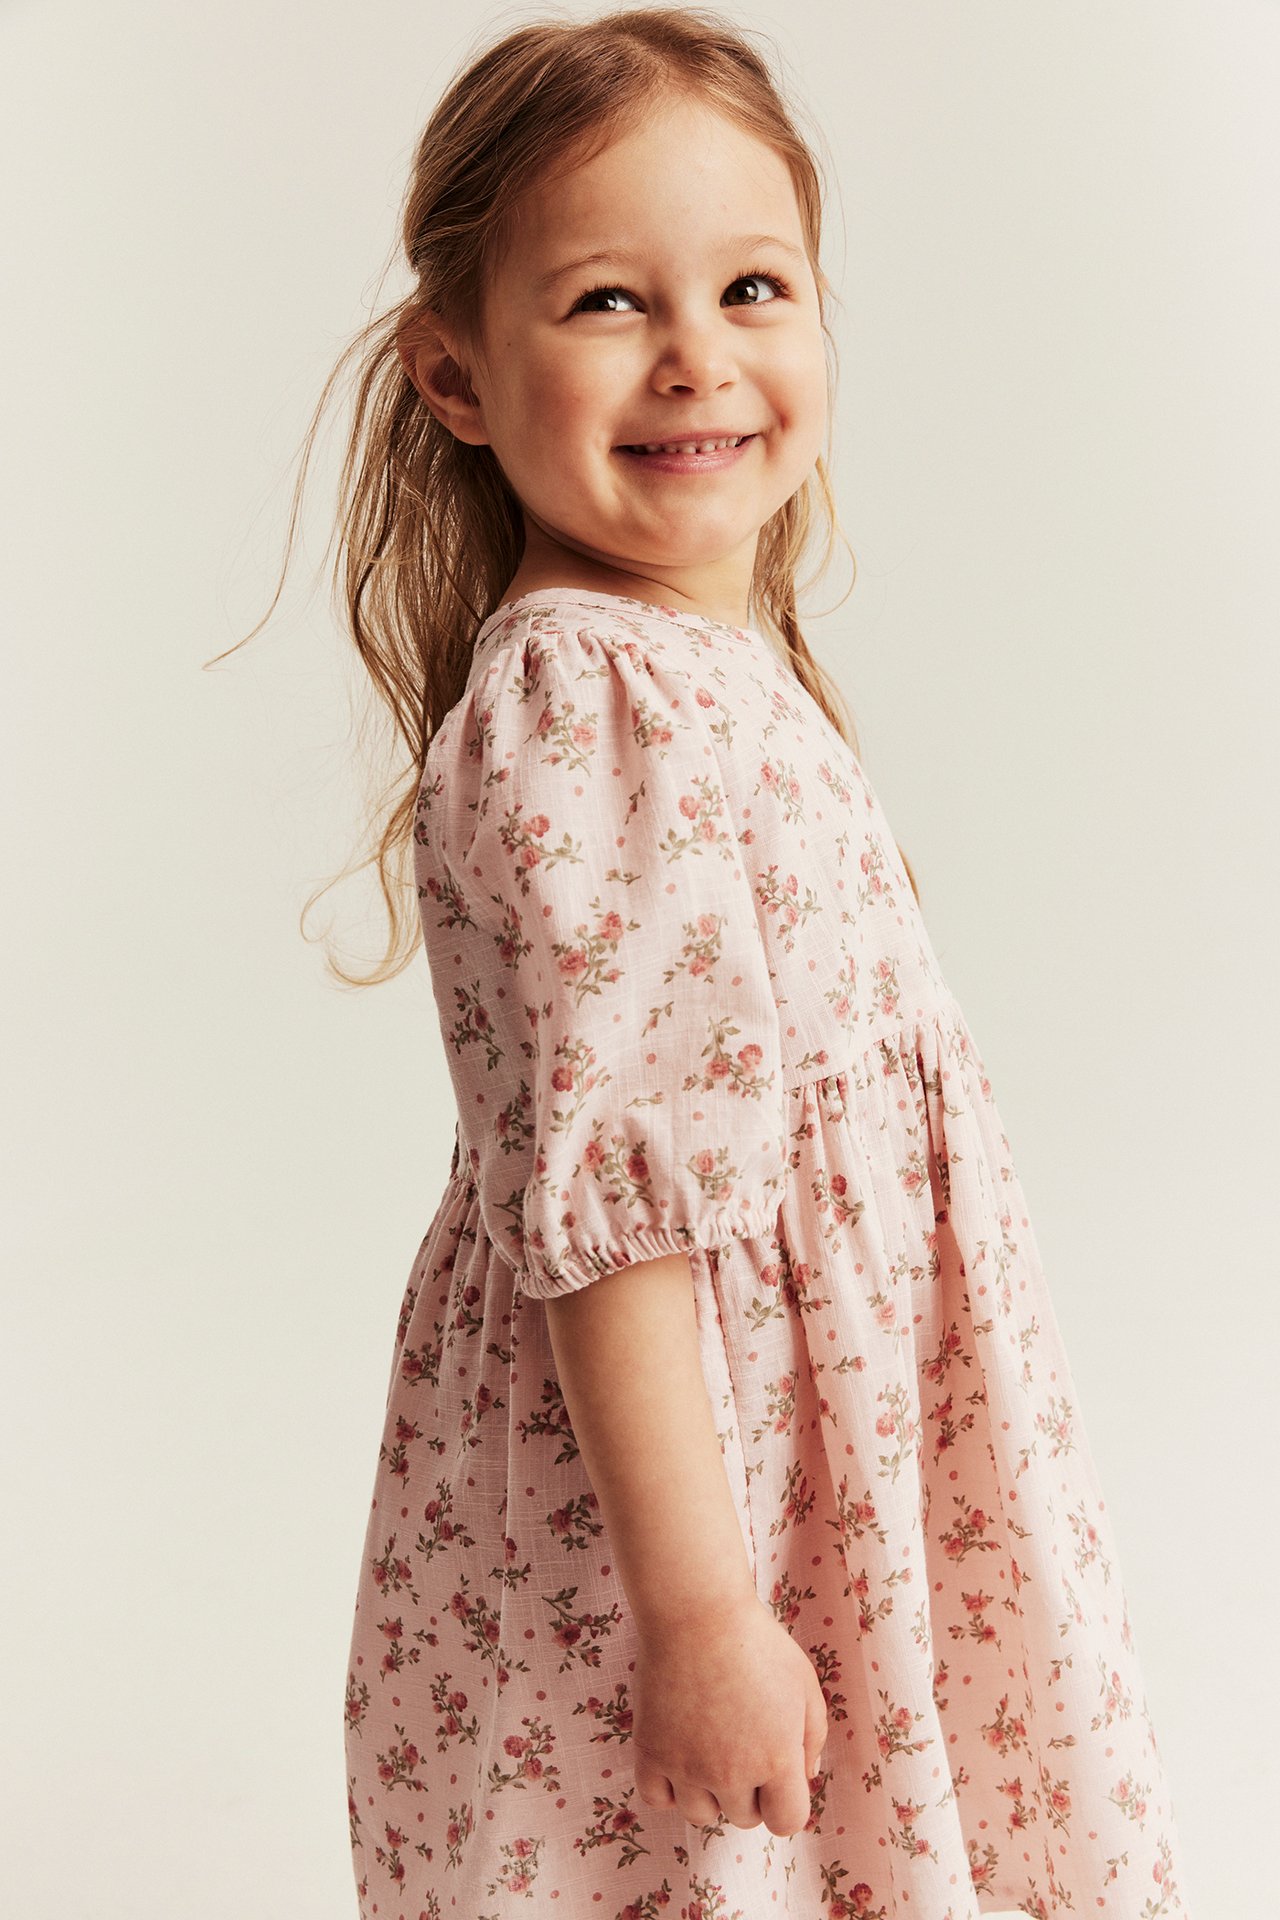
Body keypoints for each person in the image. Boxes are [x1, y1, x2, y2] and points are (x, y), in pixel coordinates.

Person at [318, 9, 1193, 1915]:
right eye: (610, 302)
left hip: (833, 1440)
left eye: (752, 286)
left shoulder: (701, 666)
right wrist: (702, 1609)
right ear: (457, 376)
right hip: (704, 1481)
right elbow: (626, 1207)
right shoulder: (588, 698)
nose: (698, 356)